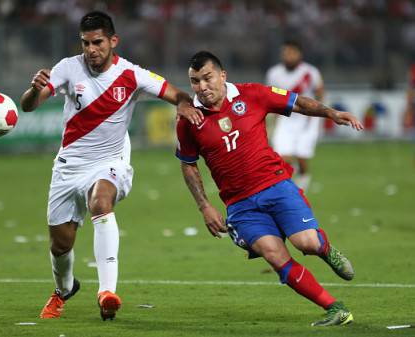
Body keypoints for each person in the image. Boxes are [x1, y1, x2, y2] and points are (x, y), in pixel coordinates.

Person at [20, 11, 203, 321]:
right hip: (68, 167)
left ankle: (107, 293)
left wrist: (185, 105)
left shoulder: (132, 75)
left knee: (101, 201)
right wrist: (35, 89)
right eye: (85, 43)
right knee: (60, 245)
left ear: (113, 41)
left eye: (98, 42)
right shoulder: (68, 68)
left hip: (109, 162)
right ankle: (64, 289)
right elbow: (28, 105)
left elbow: (175, 93)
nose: (91, 49)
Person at [176, 51, 363, 327]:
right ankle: (335, 308)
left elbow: (297, 103)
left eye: (207, 78)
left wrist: (331, 113)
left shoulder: (252, 94)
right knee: (275, 256)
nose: (202, 87)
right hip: (240, 205)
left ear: (222, 75)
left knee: (306, 243)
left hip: (275, 184)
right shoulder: (188, 121)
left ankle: (325, 249)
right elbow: (188, 164)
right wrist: (204, 205)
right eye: (195, 81)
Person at [266, 40, 324, 191]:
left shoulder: (310, 72)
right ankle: (293, 191)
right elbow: (269, 97)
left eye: (291, 53)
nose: (288, 56)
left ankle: (303, 181)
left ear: (299, 54)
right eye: (285, 53)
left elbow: (320, 93)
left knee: (302, 157)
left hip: (307, 120)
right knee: (283, 158)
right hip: (285, 119)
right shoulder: (274, 73)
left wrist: (318, 115)